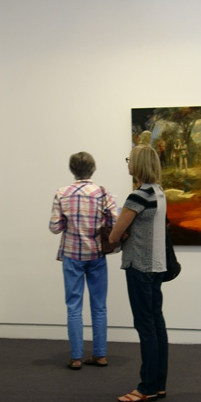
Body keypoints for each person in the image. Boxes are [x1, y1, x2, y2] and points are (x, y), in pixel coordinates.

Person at [107, 144, 170, 402]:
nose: (127, 163)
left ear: (138, 164)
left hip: (139, 266)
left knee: (145, 326)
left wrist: (120, 232)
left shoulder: (138, 196)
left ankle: (146, 388)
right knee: (156, 324)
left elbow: (113, 234)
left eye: (129, 159)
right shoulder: (159, 193)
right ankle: (158, 384)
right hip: (156, 265)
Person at [48, 152, 118, 370]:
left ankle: (77, 357)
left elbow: (54, 227)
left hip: (72, 255)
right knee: (99, 307)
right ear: (93, 169)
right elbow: (114, 221)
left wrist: (69, 223)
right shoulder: (102, 192)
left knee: (73, 306)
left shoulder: (62, 193)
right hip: (96, 255)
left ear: (72, 169)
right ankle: (100, 355)